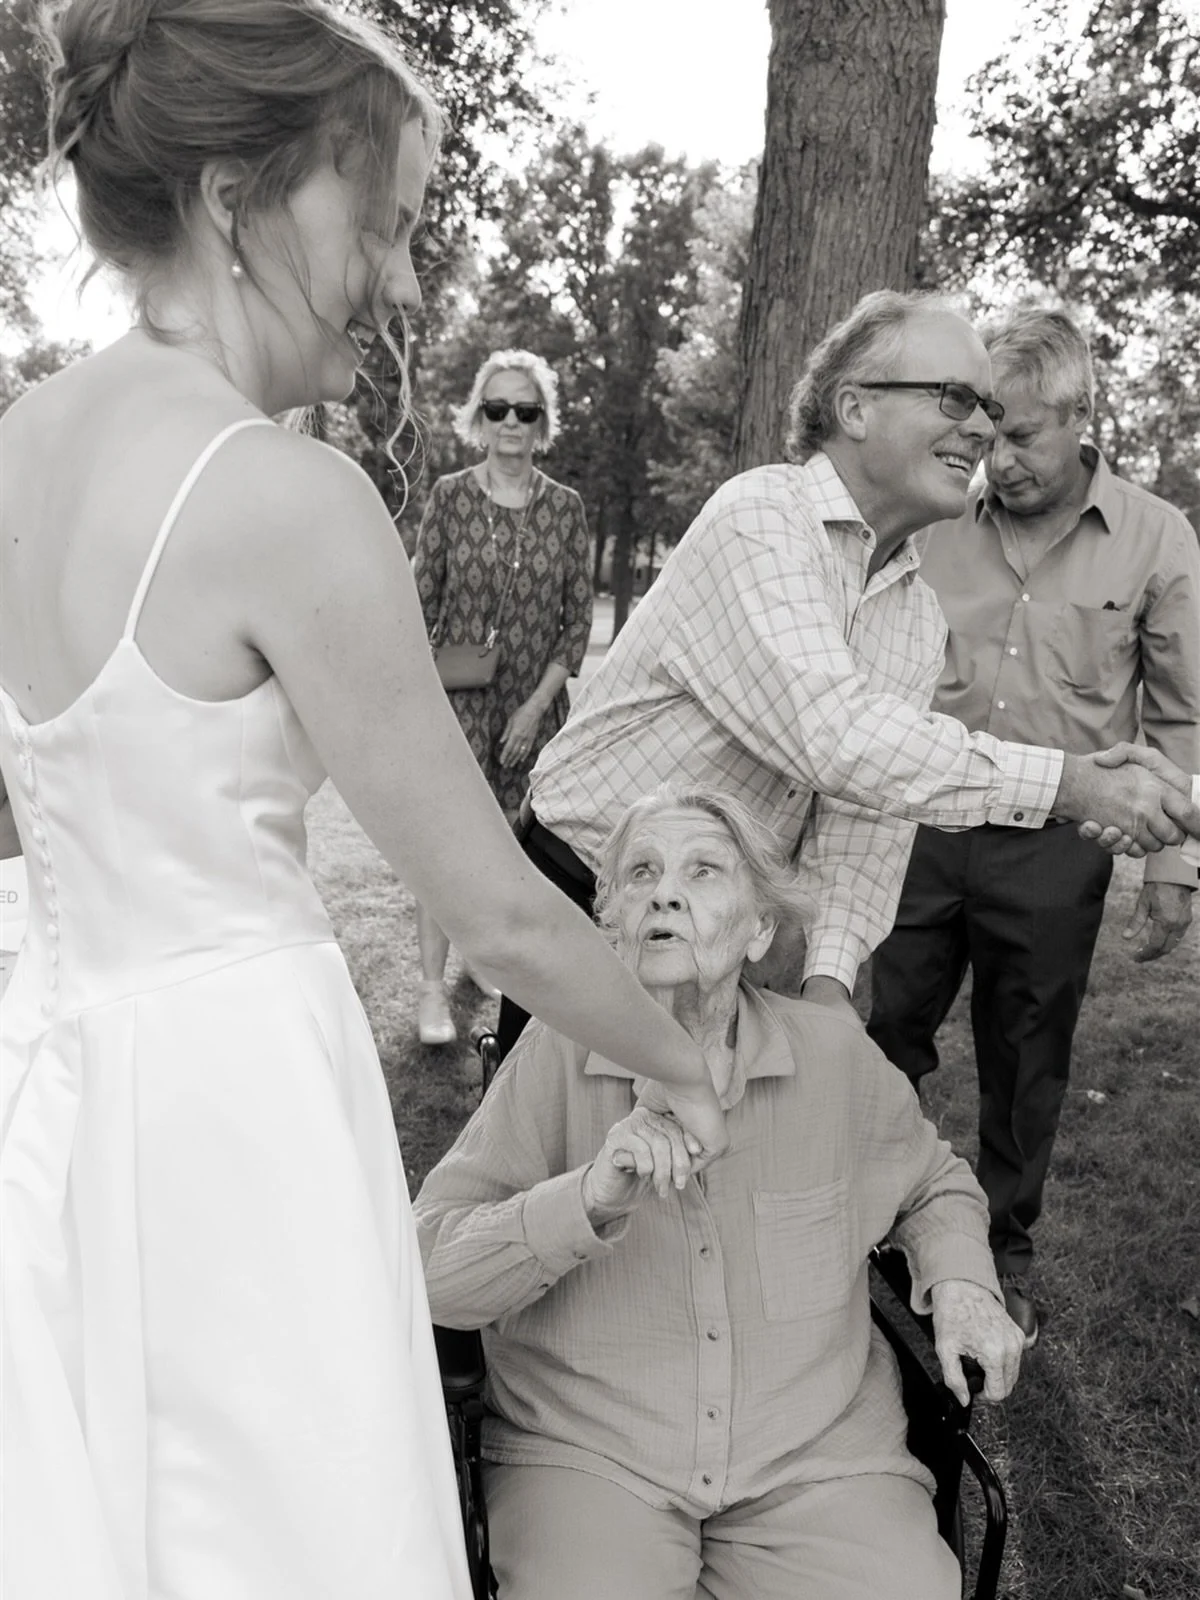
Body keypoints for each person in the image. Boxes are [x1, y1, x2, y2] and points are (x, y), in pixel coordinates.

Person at [0, 5, 726, 1597]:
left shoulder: (21, 447)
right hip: (237, 1100)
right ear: (234, 197)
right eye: (382, 226)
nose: (402, 285)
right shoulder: (284, 494)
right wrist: (686, 1063)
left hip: (54, 1084)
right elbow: (499, 913)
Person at [495, 289, 1200, 1056]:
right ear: (856, 408)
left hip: (717, 931)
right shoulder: (761, 518)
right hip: (591, 897)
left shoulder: (915, 612)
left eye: (990, 408)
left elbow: (868, 816)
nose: (981, 429)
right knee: (557, 1134)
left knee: (681, 1134)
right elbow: (834, 735)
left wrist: (828, 985)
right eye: (956, 398)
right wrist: (1073, 783)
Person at [416, 784, 1026, 1600]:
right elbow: (429, 1267)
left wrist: (960, 1280)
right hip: (591, 1459)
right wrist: (586, 1200)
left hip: (817, 1463)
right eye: (641, 874)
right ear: (613, 926)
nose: (665, 893)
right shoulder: (554, 1058)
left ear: (760, 928)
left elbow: (934, 1182)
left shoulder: (832, 1058)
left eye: (703, 871)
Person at [867, 308, 1200, 1347]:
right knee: (879, 1034)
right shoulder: (933, 520)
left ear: (1081, 415)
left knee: (1025, 1058)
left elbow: (1182, 713)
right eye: (984, 431)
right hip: (921, 823)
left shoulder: (1157, 537)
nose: (995, 458)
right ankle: (871, 1221)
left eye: (1019, 435)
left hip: (1058, 845)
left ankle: (1003, 1250)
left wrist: (1174, 866)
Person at [411, 350, 593, 1045]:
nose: (510, 421)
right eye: (497, 408)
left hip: (534, 711)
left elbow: (577, 621)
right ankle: (432, 989)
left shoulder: (565, 509)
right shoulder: (450, 497)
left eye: (525, 409)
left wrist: (535, 705)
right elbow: (420, 602)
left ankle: (485, 957)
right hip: (459, 705)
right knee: (446, 847)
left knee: (514, 855)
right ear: (478, 419)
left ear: (542, 422)